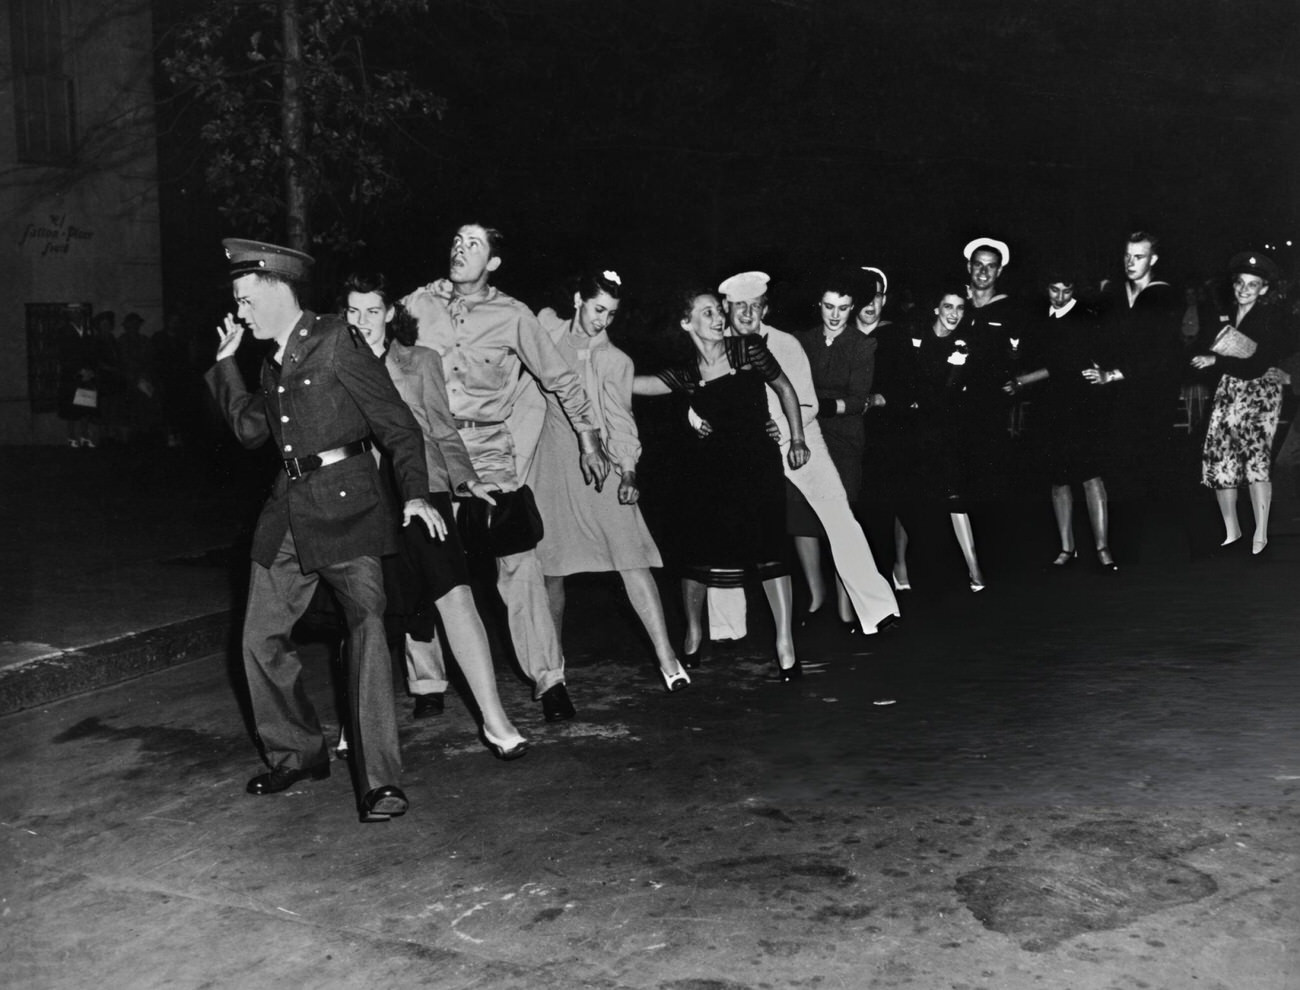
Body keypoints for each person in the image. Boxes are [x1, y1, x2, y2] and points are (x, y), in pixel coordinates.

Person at [206, 238, 442, 823]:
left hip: (350, 510)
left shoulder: (337, 340)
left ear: (278, 289)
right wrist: (224, 366)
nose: (240, 312)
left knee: (365, 629)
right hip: (286, 514)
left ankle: (380, 781)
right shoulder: (269, 360)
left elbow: (399, 427)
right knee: (258, 638)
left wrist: (414, 496)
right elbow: (250, 432)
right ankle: (300, 752)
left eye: (245, 299)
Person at [401, 223, 610, 722]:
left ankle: (550, 679)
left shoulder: (513, 316)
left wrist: (589, 437)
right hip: (427, 449)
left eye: (474, 244)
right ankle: (427, 681)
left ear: (493, 262)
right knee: (422, 564)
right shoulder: (416, 304)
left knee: (519, 567)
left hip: (488, 452)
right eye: (456, 240)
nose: (460, 249)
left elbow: (559, 378)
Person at [342, 272, 529, 758]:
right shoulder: (336, 363)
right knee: (363, 610)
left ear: (389, 313)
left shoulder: (420, 360)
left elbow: (443, 431)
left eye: (372, 311)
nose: (363, 321)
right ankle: (354, 721)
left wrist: (467, 481)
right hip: (364, 497)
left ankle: (494, 718)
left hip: (424, 488)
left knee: (456, 592)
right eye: (353, 311)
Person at [633, 288, 810, 680]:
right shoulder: (686, 373)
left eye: (718, 311)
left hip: (759, 463)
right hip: (711, 470)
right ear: (686, 323)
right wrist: (594, 364)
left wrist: (796, 438)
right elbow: (634, 384)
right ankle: (694, 633)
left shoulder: (747, 349)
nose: (717, 318)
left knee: (771, 548)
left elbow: (784, 389)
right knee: (698, 551)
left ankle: (785, 644)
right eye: (707, 312)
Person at [529, 271, 689, 693]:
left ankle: (668, 660)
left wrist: (629, 470)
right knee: (552, 569)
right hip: (550, 463)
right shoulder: (546, 329)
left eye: (612, 314)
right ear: (579, 299)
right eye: (598, 309)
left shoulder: (616, 360)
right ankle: (553, 667)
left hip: (599, 464)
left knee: (631, 559)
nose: (603, 321)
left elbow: (621, 420)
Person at [794, 267, 900, 631]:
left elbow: (858, 400)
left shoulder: (861, 344)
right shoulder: (801, 341)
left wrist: (820, 405)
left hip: (844, 438)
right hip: (804, 434)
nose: (835, 315)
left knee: (844, 520)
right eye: (828, 306)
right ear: (818, 306)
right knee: (802, 519)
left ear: (852, 307)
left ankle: (846, 606)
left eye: (842, 307)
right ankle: (815, 598)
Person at [1004, 270, 1119, 571]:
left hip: (1080, 404)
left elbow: (1065, 364)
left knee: (1090, 475)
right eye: (1054, 290)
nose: (1059, 297)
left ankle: (1102, 548)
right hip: (1048, 406)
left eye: (1066, 291)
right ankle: (1067, 548)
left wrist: (1024, 379)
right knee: (1058, 478)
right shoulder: (1040, 316)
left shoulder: (1083, 316)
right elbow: (1028, 354)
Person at [1083, 232, 1184, 559]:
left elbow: (1158, 354)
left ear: (1153, 259)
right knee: (1120, 466)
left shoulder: (1163, 297)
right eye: (1127, 255)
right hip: (1119, 396)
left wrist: (1113, 373)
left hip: (1153, 394)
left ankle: (1169, 546)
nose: (1130, 262)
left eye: (1138, 257)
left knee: (1151, 465)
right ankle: (1123, 546)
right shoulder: (1115, 292)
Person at [1190, 252, 1294, 557]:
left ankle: (1260, 535)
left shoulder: (1272, 319)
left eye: (1253, 285)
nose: (1244, 290)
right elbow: (1202, 348)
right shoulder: (1222, 315)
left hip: (1260, 392)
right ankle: (1231, 531)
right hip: (1229, 388)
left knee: (1255, 460)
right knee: (1219, 457)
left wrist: (1216, 360)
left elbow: (1257, 364)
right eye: (1240, 283)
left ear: (1263, 289)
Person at [910, 284, 990, 591]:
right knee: (911, 500)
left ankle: (974, 569)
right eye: (948, 307)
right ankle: (903, 571)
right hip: (914, 432)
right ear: (936, 309)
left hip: (947, 432)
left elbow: (951, 393)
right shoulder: (917, 339)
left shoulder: (964, 344)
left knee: (955, 496)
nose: (953, 314)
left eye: (959, 308)